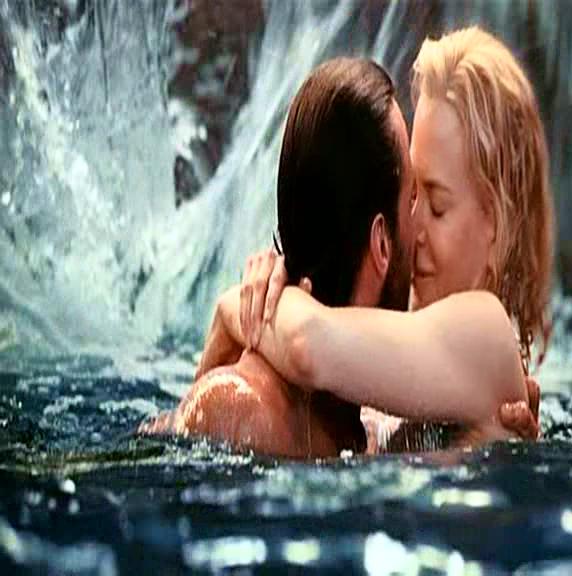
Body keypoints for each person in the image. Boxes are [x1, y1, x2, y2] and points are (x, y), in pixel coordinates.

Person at [140, 56, 535, 457]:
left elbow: (306, 344)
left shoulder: (369, 419)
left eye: (438, 205)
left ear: (493, 220)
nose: (418, 232)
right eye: (414, 200)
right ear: (381, 244)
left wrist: (234, 312)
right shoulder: (242, 409)